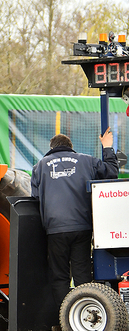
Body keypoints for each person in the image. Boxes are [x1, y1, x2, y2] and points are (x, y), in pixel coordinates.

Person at [31, 128, 118, 307]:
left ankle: (66, 320)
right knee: (82, 275)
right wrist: (107, 147)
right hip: (82, 228)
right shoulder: (87, 161)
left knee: (60, 276)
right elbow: (112, 173)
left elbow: (35, 198)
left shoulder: (39, 166)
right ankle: (86, 315)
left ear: (51, 147)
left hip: (55, 230)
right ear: (71, 147)